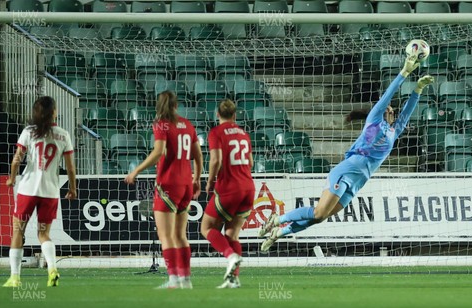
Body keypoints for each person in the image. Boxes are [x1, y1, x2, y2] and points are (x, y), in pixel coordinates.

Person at [259, 55, 434, 251]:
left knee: (320, 218)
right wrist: (404, 72)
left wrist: (418, 89)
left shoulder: (394, 131)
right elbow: (387, 95)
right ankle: (278, 220)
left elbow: (407, 112)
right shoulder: (374, 121)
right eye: (389, 109)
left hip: (358, 181)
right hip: (347, 171)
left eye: (393, 111)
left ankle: (279, 232)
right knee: (318, 213)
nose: (391, 111)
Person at [125, 91, 202, 289]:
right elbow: (198, 155)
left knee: (166, 236)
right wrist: (197, 178)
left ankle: (173, 279)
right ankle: (186, 280)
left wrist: (136, 171)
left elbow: (158, 152)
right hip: (186, 184)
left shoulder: (161, 125)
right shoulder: (188, 125)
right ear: (176, 105)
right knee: (181, 235)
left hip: (168, 185)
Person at [3, 96, 77, 288]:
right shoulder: (63, 134)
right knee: (43, 234)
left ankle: (15, 278)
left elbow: (16, 160)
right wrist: (72, 188)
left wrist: (11, 179)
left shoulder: (28, 132)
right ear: (53, 112)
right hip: (50, 191)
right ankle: (52, 269)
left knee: (18, 231)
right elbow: (70, 168)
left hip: (28, 189)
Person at [201, 99, 255, 289]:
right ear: (234, 115)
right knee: (232, 234)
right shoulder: (244, 134)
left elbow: (215, 160)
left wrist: (209, 181)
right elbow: (250, 162)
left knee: (207, 228)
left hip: (229, 188)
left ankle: (231, 256)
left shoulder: (216, 132)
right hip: (248, 188)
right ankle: (234, 279)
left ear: (217, 115)